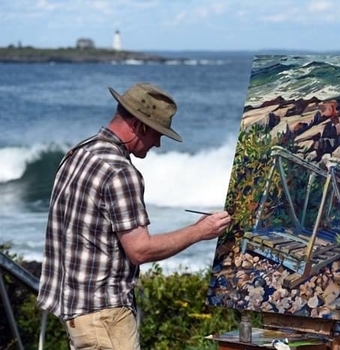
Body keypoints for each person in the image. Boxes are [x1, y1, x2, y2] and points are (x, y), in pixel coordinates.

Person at [36, 82, 232, 349]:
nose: (159, 143)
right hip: (105, 316)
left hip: (76, 310)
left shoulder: (79, 153)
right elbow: (140, 251)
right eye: (157, 134)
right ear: (140, 126)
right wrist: (200, 231)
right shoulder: (120, 172)